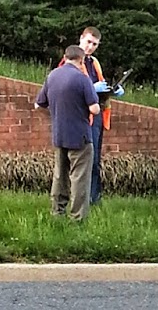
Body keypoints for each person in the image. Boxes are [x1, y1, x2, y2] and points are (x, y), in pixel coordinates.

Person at [34, 44, 100, 220]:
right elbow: (94, 109)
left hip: (59, 134)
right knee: (79, 178)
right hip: (80, 136)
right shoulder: (82, 79)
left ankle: (57, 212)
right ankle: (77, 218)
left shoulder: (52, 75)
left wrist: (54, 115)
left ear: (65, 57)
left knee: (60, 175)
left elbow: (38, 104)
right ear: (81, 60)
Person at [75, 25, 110, 205]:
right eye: (88, 42)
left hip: (96, 115)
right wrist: (91, 88)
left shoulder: (93, 62)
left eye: (94, 44)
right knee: (84, 160)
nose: (90, 47)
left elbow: (100, 83)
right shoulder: (72, 60)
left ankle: (94, 198)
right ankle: (82, 198)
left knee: (95, 159)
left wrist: (111, 90)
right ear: (81, 38)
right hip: (81, 116)